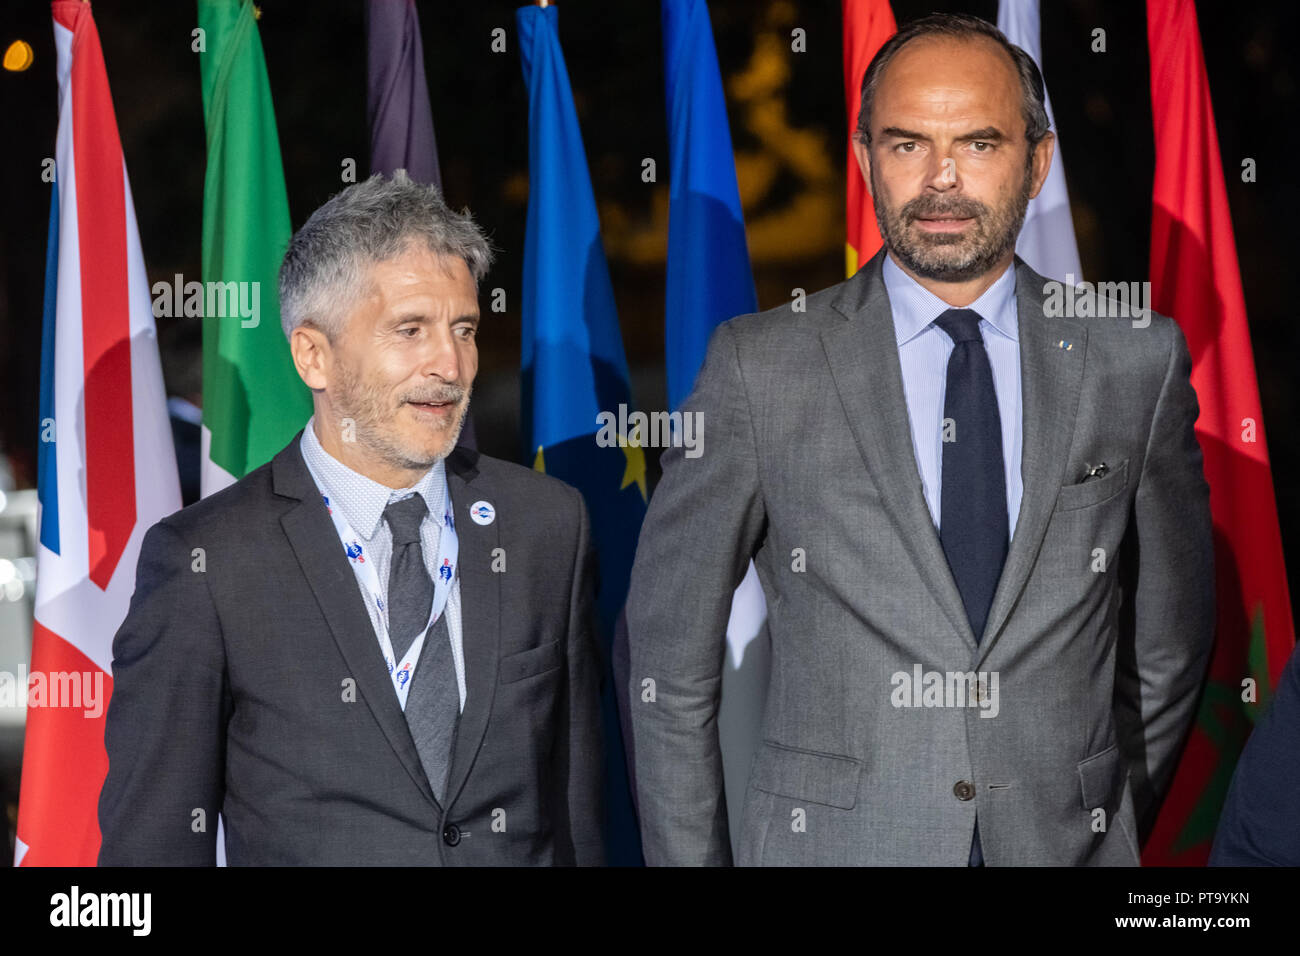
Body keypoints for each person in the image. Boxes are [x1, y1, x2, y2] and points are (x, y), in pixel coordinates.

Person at [625, 13, 1213, 866]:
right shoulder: (761, 366)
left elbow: (1169, 646)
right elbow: (668, 668)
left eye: (977, 144)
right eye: (906, 145)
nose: (941, 179)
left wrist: (1087, 803)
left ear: (1037, 160)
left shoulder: (1134, 359)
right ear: (865, 161)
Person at [99, 172, 604, 865]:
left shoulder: (547, 525)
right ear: (314, 355)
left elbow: (575, 813)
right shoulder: (206, 564)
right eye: (410, 330)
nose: (450, 364)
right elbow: (150, 851)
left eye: (463, 328)